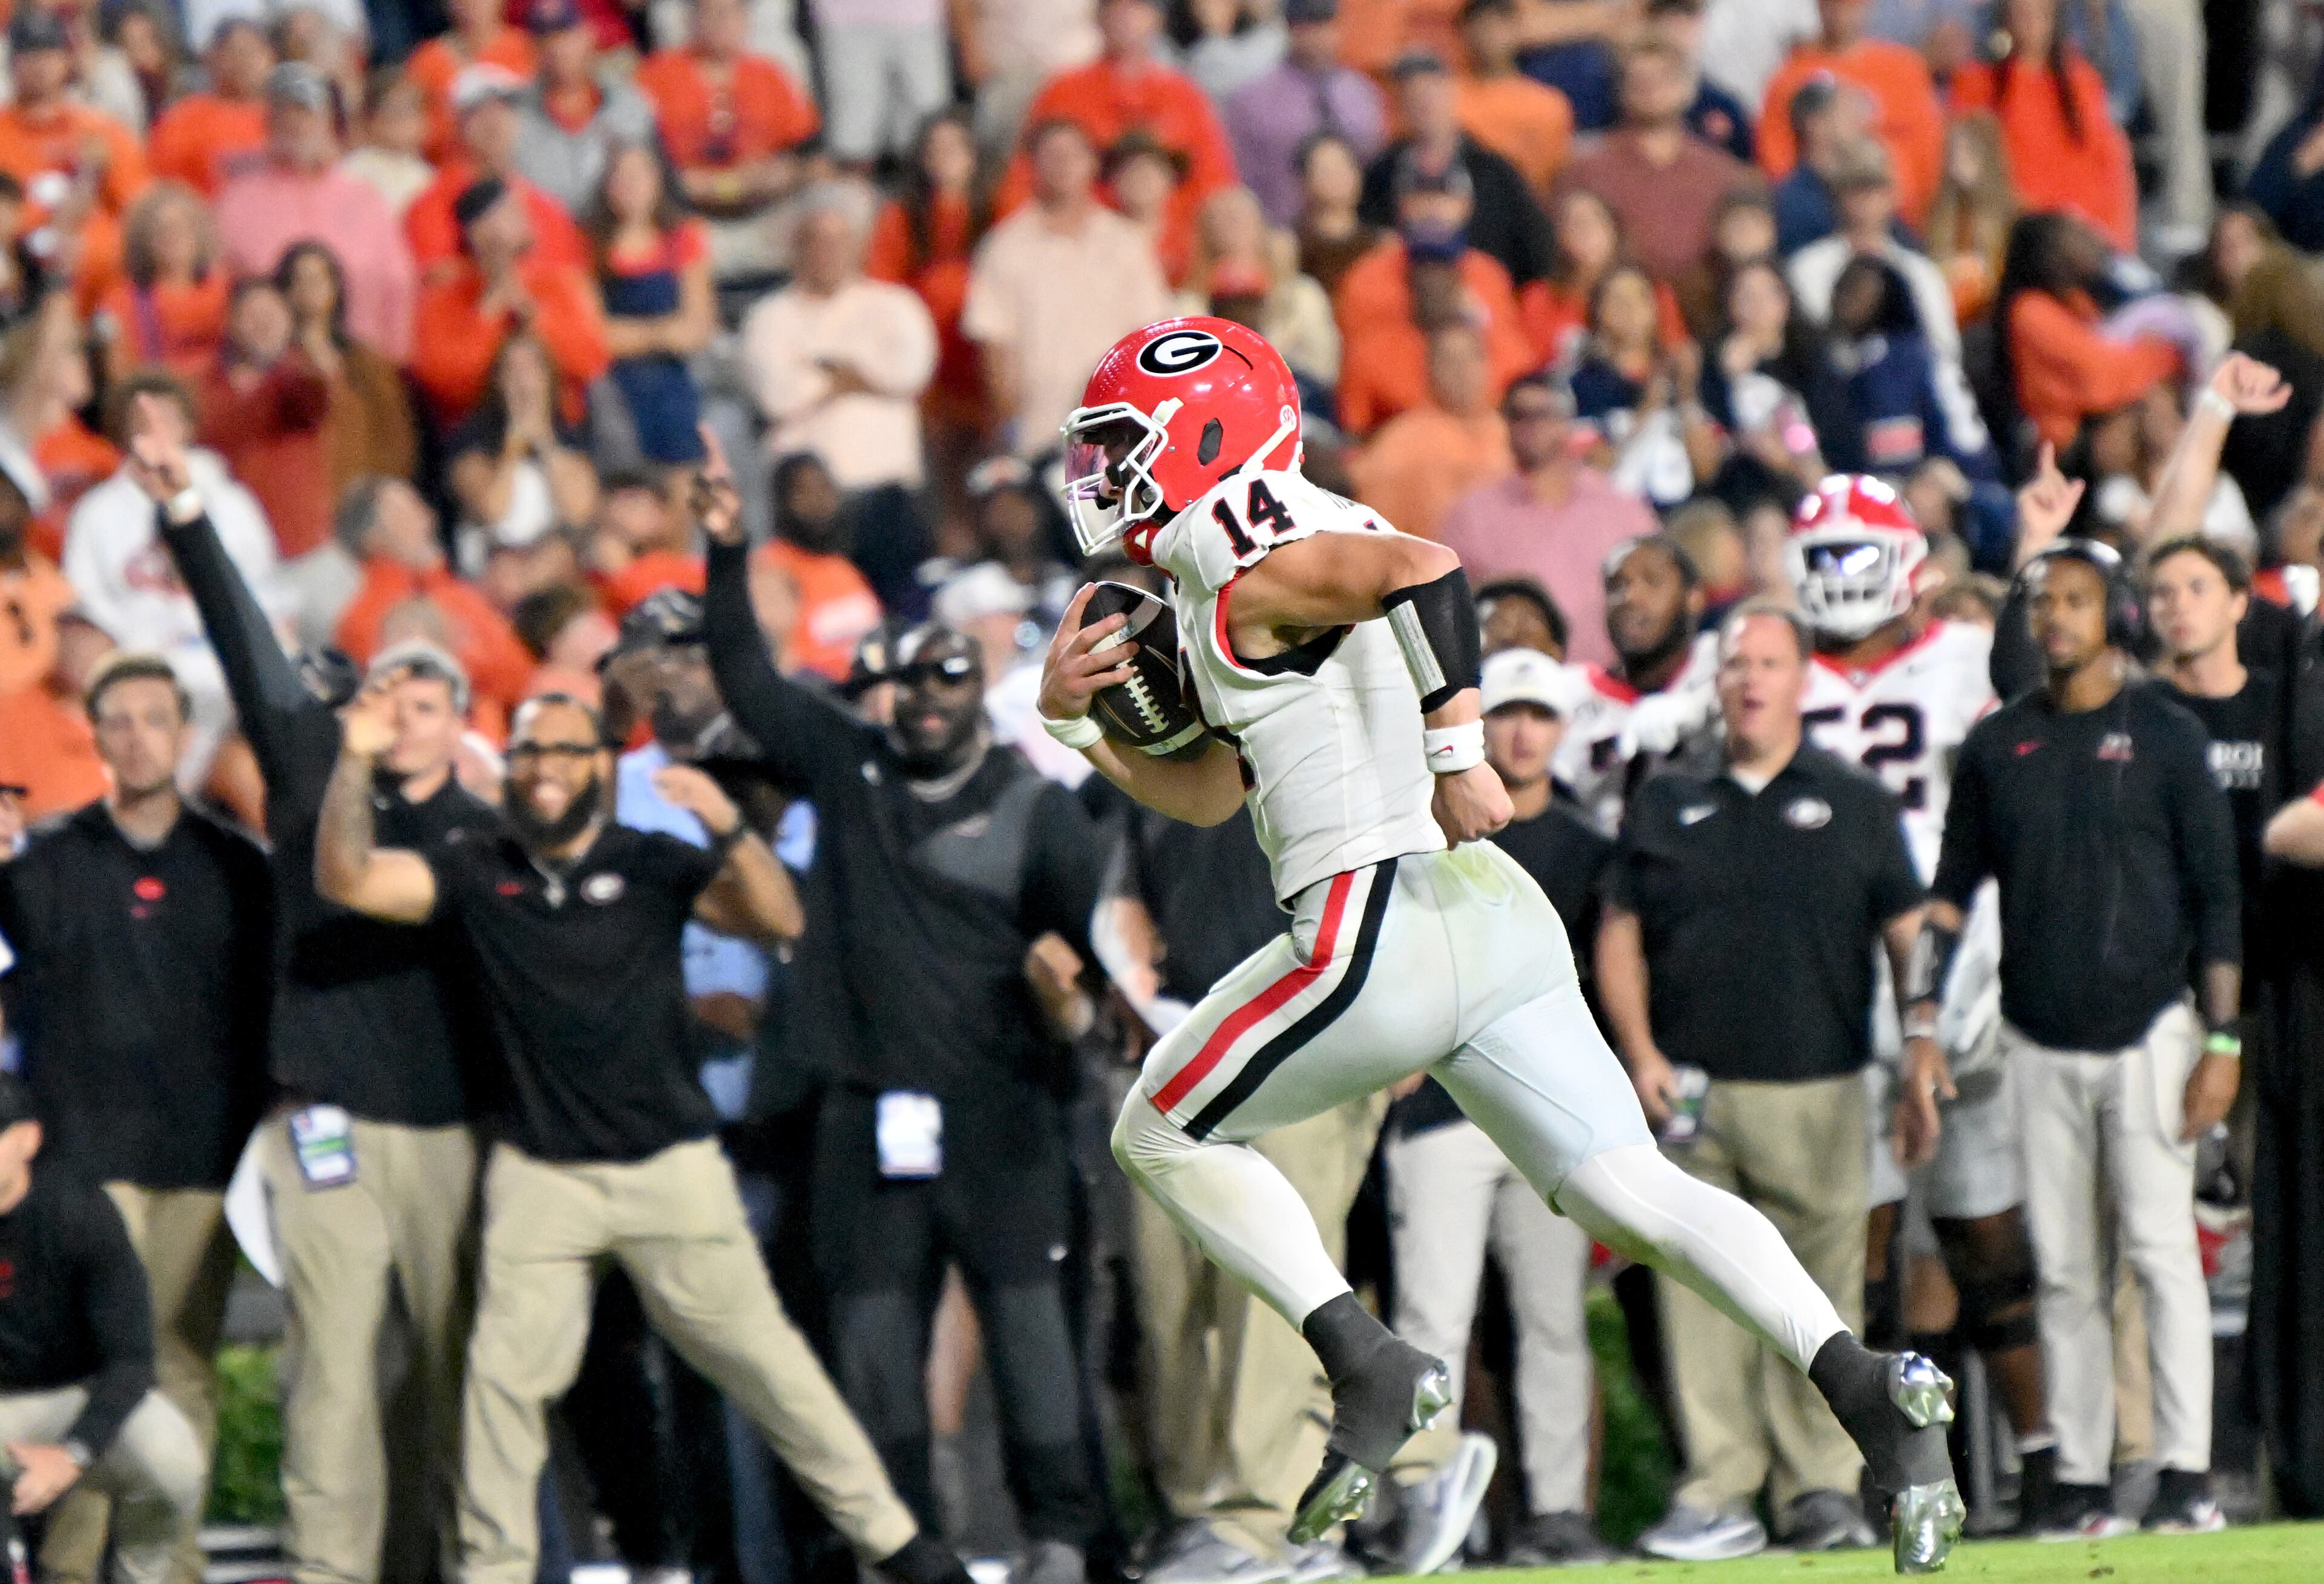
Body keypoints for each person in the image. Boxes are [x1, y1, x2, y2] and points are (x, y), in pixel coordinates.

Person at [1040, 315, 1965, 1571]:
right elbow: (1210, 791)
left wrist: (1459, 747)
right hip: (1490, 916)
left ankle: (1363, 1361)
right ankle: (1864, 1386)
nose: (1106, 477)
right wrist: (1082, 727)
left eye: (1125, 446)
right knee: (1632, 1191)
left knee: (1158, 1128)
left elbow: (1430, 569)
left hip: (1372, 918)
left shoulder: (1228, 539)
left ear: (1207, 434)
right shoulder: (1285, 537)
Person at [312, 671, 976, 1584]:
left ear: (601, 764)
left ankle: (900, 1547)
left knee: (772, 1369)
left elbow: (780, 917)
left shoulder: (651, 860)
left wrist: (726, 825)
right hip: (543, 1174)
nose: (543, 768)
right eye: (529, 749)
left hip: (670, 1166)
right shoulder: (480, 864)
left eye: (563, 749)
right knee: (500, 1391)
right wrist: (351, 760)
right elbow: (348, 876)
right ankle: (494, 1574)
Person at [696, 437, 1108, 1584]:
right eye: (906, 682)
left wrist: (1066, 1011)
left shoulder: (1038, 809)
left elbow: (1093, 967)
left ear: (982, 690)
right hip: (864, 1111)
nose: (922, 702)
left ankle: (1063, 1540)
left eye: (946, 679)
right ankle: (903, 1551)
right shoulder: (850, 762)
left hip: (1006, 1116)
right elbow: (745, 678)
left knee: (1033, 1343)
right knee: (873, 1348)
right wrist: (728, 549)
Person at [122, 390, 497, 1584]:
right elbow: (242, 637)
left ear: (464, 721)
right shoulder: (309, 770)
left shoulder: (494, 834)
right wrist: (182, 506)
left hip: (450, 1133)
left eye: (430, 698)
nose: (405, 713)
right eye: (389, 694)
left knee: (444, 1388)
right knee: (330, 1383)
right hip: (327, 1120)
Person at [1916, 533, 2241, 1538]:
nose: (2053, 616)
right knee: (2061, 1264)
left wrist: (2222, 1043)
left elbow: (2218, 898)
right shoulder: (1997, 743)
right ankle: (2085, 1478)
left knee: (2159, 1252)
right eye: (2039, 601)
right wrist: (1923, 1019)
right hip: (2035, 1034)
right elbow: (1948, 898)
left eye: (2074, 599)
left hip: (2152, 1030)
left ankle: (2187, 1472)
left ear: (2117, 616)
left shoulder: (2170, 735)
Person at [1598, 601, 1927, 1561]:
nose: (1750, 679)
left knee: (1820, 1298)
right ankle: (1717, 1491)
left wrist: (1920, 1044)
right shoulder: (1667, 796)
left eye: (1770, 663)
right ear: (1717, 679)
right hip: (1692, 1087)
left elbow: (1906, 931)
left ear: (1802, 680)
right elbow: (1619, 929)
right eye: (1737, 663)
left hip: (1817, 1085)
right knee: (1701, 1296)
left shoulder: (1855, 797)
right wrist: (1641, 1053)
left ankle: (1820, 1488)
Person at [1782, 476, 2054, 1522]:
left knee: (1990, 1242)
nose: (1840, 581)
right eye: (1824, 560)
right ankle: (1871, 1473)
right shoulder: (1774, 670)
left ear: (1907, 566)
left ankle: (2041, 1464)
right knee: (1858, 1249)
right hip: (1828, 991)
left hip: (1960, 978)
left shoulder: (1963, 666)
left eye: (1858, 557)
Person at [0, 654, 270, 1584]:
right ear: (97, 734)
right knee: (78, 1372)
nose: (138, 736)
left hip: (200, 1158)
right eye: (118, 719)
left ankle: (168, 1570)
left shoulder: (241, 866)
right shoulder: (46, 858)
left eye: (156, 718)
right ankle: (71, 1571)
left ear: (185, 733)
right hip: (78, 1162)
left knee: (180, 1368)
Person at [1382, 646, 1618, 1569]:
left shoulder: (1592, 851)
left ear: (1564, 728)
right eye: (1506, 713)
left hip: (1550, 1115)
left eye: (1539, 715)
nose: (1522, 731)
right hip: (1441, 1105)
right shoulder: (1418, 828)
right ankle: (1423, 1500)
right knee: (1430, 1321)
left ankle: (1560, 1511)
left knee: (1552, 1321)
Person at [0, 1073, 204, 1584]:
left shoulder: (79, 1214)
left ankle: (141, 1575)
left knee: (171, 1455)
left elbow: (133, 1360)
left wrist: (72, 1453)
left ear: (27, 1138)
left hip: (78, 1397)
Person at [961, 117, 1170, 457]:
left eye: (1073, 156)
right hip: (1037, 436)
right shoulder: (1005, 246)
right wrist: (1009, 435)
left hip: (1118, 440)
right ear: (1034, 166)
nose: (1063, 167)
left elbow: (1148, 337)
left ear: (1091, 164)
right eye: (1052, 156)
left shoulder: (1126, 244)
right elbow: (995, 348)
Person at [1437, 375, 1661, 672]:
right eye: (1518, 416)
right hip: (1512, 685)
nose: (1530, 426)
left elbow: (1658, 585)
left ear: (1566, 422)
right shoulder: (1473, 515)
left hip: (1611, 681)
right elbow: (1447, 609)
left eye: (1542, 415)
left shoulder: (1619, 508)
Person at [214, 63, 416, 363]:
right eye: (284, 113)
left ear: (327, 122)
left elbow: (397, 282)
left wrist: (396, 367)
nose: (294, 123)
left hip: (359, 367)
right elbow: (220, 289)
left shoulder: (364, 198)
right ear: (269, 123)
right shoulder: (235, 203)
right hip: (273, 374)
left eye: (305, 112)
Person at [740, 188, 938, 493]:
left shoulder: (896, 305)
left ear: (858, 245)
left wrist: (818, 370)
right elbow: (775, 395)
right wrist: (858, 376)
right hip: (802, 493)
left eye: (838, 240)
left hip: (886, 485)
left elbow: (909, 373)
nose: (827, 251)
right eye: (816, 240)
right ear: (797, 246)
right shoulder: (768, 316)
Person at [1002, 0, 1236, 248]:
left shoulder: (1186, 96)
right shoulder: (1062, 93)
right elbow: (1020, 185)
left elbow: (1217, 188)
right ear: (1098, 17)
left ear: (1158, 18)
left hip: (1177, 255)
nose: (1126, 15)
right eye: (1116, 7)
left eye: (1138, 6)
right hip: (1077, 251)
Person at [1332, 156, 1531, 438]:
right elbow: (1356, 412)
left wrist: (1474, 324)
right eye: (1421, 195)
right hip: (1400, 441)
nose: (1432, 207)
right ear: (1400, 204)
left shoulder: (1488, 276)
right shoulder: (1368, 282)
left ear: (1466, 205)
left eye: (1443, 195)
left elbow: (1519, 373)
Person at [630, 0, 818, 280]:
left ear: (746, 19)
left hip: (764, 204)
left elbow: (809, 152)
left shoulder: (768, 72)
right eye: (711, 12)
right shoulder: (657, 74)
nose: (721, 21)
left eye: (730, 12)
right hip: (683, 207)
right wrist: (672, 180)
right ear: (691, 19)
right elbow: (633, 150)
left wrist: (785, 173)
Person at [1555, 534, 1721, 836]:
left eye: (1652, 582)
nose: (1630, 597)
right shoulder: (1568, 694)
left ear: (1694, 597)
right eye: (1617, 586)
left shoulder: (1724, 668)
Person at [410, 179, 609, 429]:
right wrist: (490, 308)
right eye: (511, 213)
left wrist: (531, 312)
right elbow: (446, 383)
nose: (526, 218)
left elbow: (591, 361)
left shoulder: (558, 283)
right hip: (477, 433)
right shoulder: (444, 296)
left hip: (561, 426)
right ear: (479, 234)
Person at [1561, 38, 1756, 283]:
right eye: (1639, 79)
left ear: (1688, 86)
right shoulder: (1587, 172)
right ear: (1622, 89)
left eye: (1665, 77)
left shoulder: (1724, 174)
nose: (1652, 88)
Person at [1950, 0, 2138, 254]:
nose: (2031, 24)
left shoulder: (2083, 83)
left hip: (2085, 233)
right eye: (2022, 14)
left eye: (2041, 14)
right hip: (2015, 236)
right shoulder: (1977, 84)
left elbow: (2107, 167)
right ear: (2006, 18)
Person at [1356, 50, 1551, 289]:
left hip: (1487, 297)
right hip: (1405, 296)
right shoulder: (1381, 174)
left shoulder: (1495, 171)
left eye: (1429, 93)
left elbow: (1536, 250)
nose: (1421, 103)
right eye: (1410, 96)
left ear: (1451, 93)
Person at [1991, 212, 2180, 452]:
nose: (2094, 238)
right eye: (2078, 235)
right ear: (2052, 255)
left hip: (2100, 421)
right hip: (2063, 447)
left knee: (2160, 402)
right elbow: (2100, 380)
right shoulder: (2030, 310)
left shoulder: (2079, 301)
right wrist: (2165, 355)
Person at [1756, 0, 1945, 224]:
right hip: (1819, 221)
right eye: (1832, 5)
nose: (1840, 13)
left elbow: (1931, 152)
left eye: (1850, 5)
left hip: (1903, 222)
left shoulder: (1905, 69)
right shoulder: (1790, 77)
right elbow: (1777, 164)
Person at [588, 142, 714, 467]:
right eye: (621, 176)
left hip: (678, 377)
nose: (631, 185)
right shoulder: (590, 246)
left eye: (640, 175)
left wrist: (629, 335)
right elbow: (593, 335)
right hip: (614, 381)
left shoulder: (683, 237)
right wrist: (662, 333)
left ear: (659, 180)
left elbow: (698, 329)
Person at [1787, 139, 1962, 370]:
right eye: (1856, 189)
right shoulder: (1807, 267)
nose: (1867, 200)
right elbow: (1811, 349)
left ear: (1892, 195)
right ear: (1837, 196)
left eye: (1876, 189)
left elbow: (1945, 351)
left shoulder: (1919, 271)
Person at [404, 64, 589, 281]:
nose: (493, 120)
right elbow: (438, 280)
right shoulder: (433, 203)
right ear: (458, 125)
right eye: (477, 111)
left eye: (505, 106)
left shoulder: (547, 208)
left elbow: (576, 286)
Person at [277, 242, 420, 502]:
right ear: (286, 291)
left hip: (365, 499)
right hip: (305, 500)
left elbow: (394, 435)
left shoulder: (366, 360)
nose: (312, 285)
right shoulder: (279, 366)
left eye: (320, 276)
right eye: (301, 278)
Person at [1221, 0, 1384, 228]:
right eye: (1308, 26)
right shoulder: (1252, 101)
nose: (1319, 36)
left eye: (1326, 25)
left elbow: (1375, 166)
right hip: (1279, 229)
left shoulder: (1361, 94)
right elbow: (1237, 178)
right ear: (1289, 29)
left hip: (1354, 231)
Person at [1349, 322, 1512, 542]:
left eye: (1471, 359)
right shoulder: (1399, 443)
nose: (1461, 372)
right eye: (1450, 362)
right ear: (1429, 370)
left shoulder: (1512, 434)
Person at [507, 0, 657, 217]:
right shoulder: (511, 113)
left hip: (612, 236)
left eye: (566, 35)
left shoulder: (629, 104)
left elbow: (662, 185)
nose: (557, 49)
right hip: (544, 239)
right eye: (545, 40)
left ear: (589, 36)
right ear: (533, 49)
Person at [99, 183, 228, 384]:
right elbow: (118, 378)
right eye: (161, 230)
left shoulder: (228, 292)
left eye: (182, 227)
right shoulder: (117, 304)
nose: (173, 237)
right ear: (142, 241)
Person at [1454, 0, 1574, 198]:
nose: (1491, 33)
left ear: (1517, 28)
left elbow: (1558, 177)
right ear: (1465, 32)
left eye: (1501, 23)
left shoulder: (1549, 105)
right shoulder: (1445, 97)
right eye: (1481, 24)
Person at [142, 15, 272, 196]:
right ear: (213, 59)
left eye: (254, 52)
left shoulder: (290, 115)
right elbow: (162, 190)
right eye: (236, 53)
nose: (247, 62)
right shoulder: (183, 119)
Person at [404, 0, 536, 161]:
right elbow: (411, 127)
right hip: (450, 168)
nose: (473, 4)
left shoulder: (530, 48)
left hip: (524, 165)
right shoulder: (426, 61)